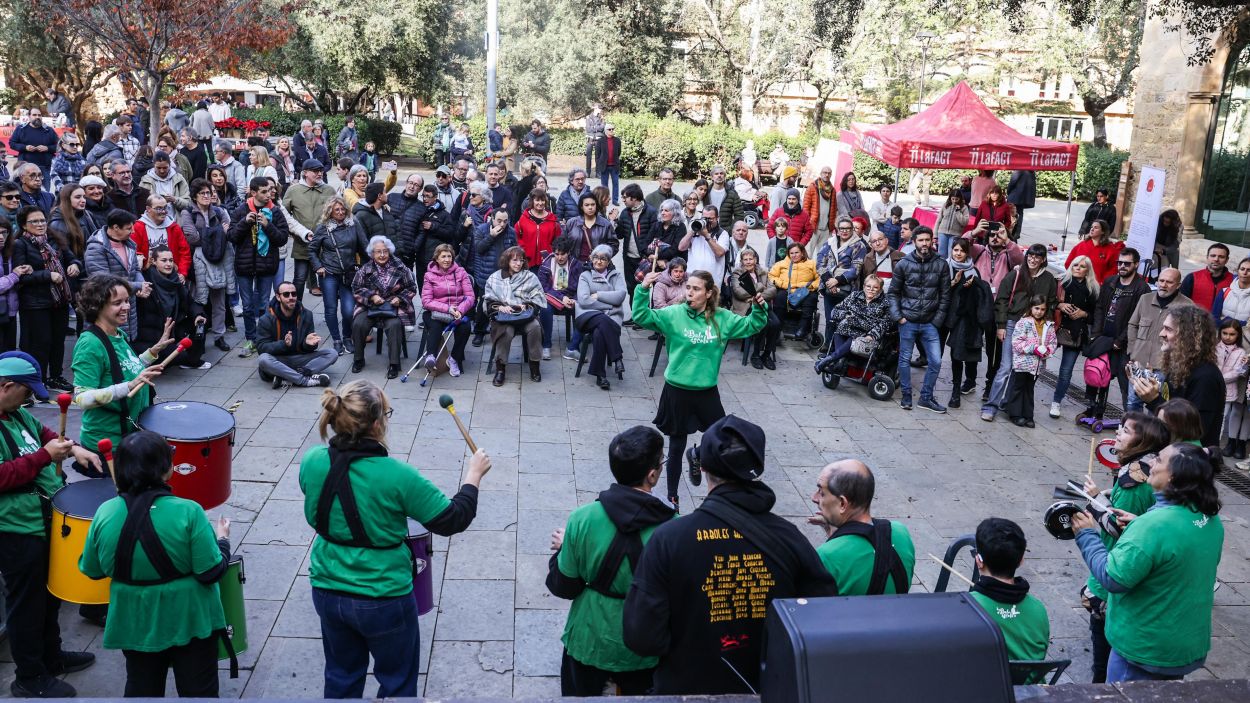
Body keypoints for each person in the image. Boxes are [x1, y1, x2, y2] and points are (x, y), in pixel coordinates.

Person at [300, 379, 492, 697]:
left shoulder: (312, 461)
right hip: (383, 595)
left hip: (327, 589)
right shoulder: (397, 476)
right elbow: (452, 519)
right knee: (398, 683)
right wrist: (473, 475)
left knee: (341, 677)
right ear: (377, 423)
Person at [622, 415, 837, 695]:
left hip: (686, 688)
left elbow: (641, 638)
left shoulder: (669, 539)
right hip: (767, 688)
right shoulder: (789, 539)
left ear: (703, 466)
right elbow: (822, 619)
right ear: (757, 468)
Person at [77, 431, 230, 697]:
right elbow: (210, 572)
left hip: (134, 618)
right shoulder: (189, 511)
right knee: (199, 691)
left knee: (141, 687)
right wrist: (223, 542)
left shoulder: (105, 512)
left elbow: (92, 569)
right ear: (167, 470)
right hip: (189, 618)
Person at [1072, 442, 1223, 682]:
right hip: (1182, 644)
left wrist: (1087, 535)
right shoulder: (1208, 517)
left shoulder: (1153, 527)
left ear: (1173, 476)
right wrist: (1138, 523)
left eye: (1159, 460)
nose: (1150, 464)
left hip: (1145, 648)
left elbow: (1113, 577)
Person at [0, 353, 102, 698]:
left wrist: (76, 450)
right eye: (25, 393)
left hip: (42, 519)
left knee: (50, 594)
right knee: (26, 604)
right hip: (15, 528)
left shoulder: (17, 413)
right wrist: (45, 457)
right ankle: (28, 676)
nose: (29, 400)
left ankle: (51, 656)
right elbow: (3, 475)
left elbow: (44, 435)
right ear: (6, 386)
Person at [547, 425, 676, 696]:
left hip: (589, 640)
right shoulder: (674, 529)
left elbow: (564, 586)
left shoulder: (582, 519)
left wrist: (567, 545)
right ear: (652, 475)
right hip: (645, 645)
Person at [631, 270, 766, 508]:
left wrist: (759, 307)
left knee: (722, 438)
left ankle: (699, 458)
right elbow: (641, 316)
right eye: (688, 288)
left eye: (695, 289)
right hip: (677, 390)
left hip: (706, 392)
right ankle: (673, 497)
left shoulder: (723, 318)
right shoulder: (673, 314)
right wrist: (643, 290)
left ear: (709, 293)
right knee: (676, 444)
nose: (689, 292)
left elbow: (752, 325)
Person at [1079, 412, 1170, 681]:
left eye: (1127, 431)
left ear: (1143, 441)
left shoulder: (1133, 482)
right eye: (1120, 428)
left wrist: (1094, 503)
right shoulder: (1138, 471)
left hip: (1113, 572)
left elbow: (1118, 527)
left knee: (1103, 658)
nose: (1118, 433)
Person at [71, 274, 173, 463]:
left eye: (127, 300)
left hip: (128, 439)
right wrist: (129, 386)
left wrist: (153, 351)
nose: (126, 307)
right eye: (117, 303)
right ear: (98, 306)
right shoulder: (90, 344)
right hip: (107, 445)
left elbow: (124, 368)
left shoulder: (119, 334)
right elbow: (82, 398)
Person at [810, 459, 914, 595]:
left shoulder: (826, 556)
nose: (814, 497)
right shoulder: (901, 532)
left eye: (822, 492)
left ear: (842, 503)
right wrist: (831, 529)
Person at [981, 243, 1058, 422]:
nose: (1033, 259)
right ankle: (991, 406)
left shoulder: (1048, 279)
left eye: (1037, 257)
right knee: (1006, 367)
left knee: (1021, 368)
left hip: (1034, 327)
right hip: (1012, 323)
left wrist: (1044, 322)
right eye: (1030, 255)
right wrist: (1001, 325)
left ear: (1043, 259)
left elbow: (1052, 302)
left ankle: (1007, 403)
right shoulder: (1015, 274)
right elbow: (1001, 299)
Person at [1132, 305, 1225, 447]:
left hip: (1191, 461)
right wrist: (1148, 390)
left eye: (1168, 329)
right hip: (1172, 453)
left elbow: (1194, 431)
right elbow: (1171, 408)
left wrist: (1153, 400)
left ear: (1188, 336)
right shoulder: (1180, 366)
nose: (1161, 334)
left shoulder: (1206, 378)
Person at [1078, 247, 1150, 420]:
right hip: (1103, 337)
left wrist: (1120, 340)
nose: (1122, 266)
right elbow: (1100, 308)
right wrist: (1095, 333)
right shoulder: (1110, 281)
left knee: (1125, 383)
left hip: (1124, 344)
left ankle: (1131, 420)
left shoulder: (1142, 288)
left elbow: (1137, 319)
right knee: (1096, 373)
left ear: (1136, 264)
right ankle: (1093, 408)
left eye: (1127, 263)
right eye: (1120, 263)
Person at [14, 207, 81, 389]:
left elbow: (72, 258)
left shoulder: (54, 240)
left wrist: (74, 265)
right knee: (40, 343)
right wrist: (47, 275)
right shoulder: (20, 244)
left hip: (59, 300)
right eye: (34, 221)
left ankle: (56, 377)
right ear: (24, 225)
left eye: (42, 220)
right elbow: (21, 276)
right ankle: (39, 380)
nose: (40, 224)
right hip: (35, 303)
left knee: (58, 341)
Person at [968, 518, 1050, 662]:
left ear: (979, 561)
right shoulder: (1038, 609)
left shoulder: (968, 608)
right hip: (1030, 684)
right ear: (1021, 560)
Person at [888, 227, 951, 413]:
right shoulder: (903, 264)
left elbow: (945, 296)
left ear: (932, 241)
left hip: (930, 322)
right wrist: (899, 317)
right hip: (908, 320)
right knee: (905, 359)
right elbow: (893, 293)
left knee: (936, 361)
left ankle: (926, 397)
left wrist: (937, 321)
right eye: (921, 240)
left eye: (928, 240)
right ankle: (906, 395)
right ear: (914, 241)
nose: (925, 243)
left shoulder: (941, 264)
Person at [230, 178, 290, 357]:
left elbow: (282, 238)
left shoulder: (275, 212)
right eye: (264, 191)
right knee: (247, 306)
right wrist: (244, 223)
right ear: (253, 193)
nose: (268, 195)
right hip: (245, 266)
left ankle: (263, 338)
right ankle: (251, 339)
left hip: (266, 265)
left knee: (264, 305)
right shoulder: (241, 210)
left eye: (270, 191)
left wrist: (267, 225)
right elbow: (232, 236)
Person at [1124, 267, 1191, 413]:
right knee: (1133, 402)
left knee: (1158, 405)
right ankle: (1134, 434)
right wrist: (1133, 350)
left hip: (1164, 365)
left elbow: (1187, 337)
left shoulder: (1187, 306)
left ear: (1178, 285)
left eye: (1169, 282)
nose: (1163, 285)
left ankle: (1152, 435)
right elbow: (1132, 324)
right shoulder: (1145, 299)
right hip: (1139, 362)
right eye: (1161, 280)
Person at [349, 236, 417, 379]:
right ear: (372, 254)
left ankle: (394, 364)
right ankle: (358, 359)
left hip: (392, 307)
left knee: (394, 325)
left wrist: (400, 298)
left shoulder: (400, 267)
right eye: (378, 252)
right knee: (358, 324)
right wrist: (372, 296)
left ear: (390, 252)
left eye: (385, 251)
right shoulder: (365, 269)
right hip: (370, 306)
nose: (381, 255)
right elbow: (356, 288)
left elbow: (412, 287)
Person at [308, 196, 365, 356]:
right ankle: (337, 340)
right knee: (331, 307)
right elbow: (312, 250)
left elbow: (364, 246)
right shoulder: (323, 228)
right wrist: (318, 266)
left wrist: (366, 268)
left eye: (342, 209)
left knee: (349, 310)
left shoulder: (354, 224)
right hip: (329, 273)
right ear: (330, 212)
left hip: (348, 273)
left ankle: (347, 337)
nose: (340, 212)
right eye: (336, 210)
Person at [938, 239, 991, 409]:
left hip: (963, 318)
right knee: (936, 352)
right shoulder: (944, 267)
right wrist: (953, 283)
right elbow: (938, 290)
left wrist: (972, 287)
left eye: (962, 250)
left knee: (958, 354)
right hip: (944, 315)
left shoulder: (973, 271)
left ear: (967, 253)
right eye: (955, 249)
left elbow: (979, 297)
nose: (958, 253)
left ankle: (958, 389)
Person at [137, 246, 209, 370]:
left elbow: (189, 302)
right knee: (175, 357)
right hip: (152, 335)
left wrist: (198, 315)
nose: (168, 264)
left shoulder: (175, 280)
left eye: (171, 260)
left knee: (201, 321)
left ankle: (192, 360)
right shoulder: (145, 282)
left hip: (172, 328)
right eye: (164, 260)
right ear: (153, 261)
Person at [255, 281, 336, 389]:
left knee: (332, 353)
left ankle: (287, 377)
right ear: (278, 297)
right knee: (263, 359)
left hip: (300, 359)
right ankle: (304, 380)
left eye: (294, 294)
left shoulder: (306, 315)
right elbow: (261, 348)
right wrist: (283, 344)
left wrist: (308, 344)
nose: (291, 297)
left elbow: (309, 348)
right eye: (286, 294)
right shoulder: (266, 319)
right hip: (279, 360)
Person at [485, 246, 547, 385]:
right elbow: (488, 300)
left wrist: (526, 305)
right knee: (505, 331)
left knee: (535, 327)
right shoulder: (495, 277)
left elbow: (538, 297)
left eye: (521, 260)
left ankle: (534, 365)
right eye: (514, 260)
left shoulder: (530, 277)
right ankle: (500, 369)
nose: (518, 264)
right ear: (507, 261)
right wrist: (500, 307)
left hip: (525, 316)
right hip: (505, 317)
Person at [1051, 255, 1101, 418]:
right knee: (1037, 364)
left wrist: (1083, 313)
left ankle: (1056, 402)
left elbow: (1096, 315)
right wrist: (1060, 305)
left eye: (1082, 266)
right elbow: (1046, 301)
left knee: (1066, 370)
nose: (1077, 268)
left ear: (1088, 271)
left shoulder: (1092, 289)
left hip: (1075, 333)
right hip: (1055, 328)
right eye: (1075, 265)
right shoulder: (1061, 283)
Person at [575, 245, 628, 390]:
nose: (598, 261)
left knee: (600, 332)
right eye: (596, 258)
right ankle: (617, 358)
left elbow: (620, 296)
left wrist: (598, 295)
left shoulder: (616, 275)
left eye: (603, 259)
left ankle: (601, 376)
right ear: (591, 259)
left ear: (608, 261)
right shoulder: (585, 276)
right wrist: (610, 306)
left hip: (611, 319)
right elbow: (584, 301)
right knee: (603, 321)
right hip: (588, 316)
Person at [421, 243, 475, 376]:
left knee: (465, 327)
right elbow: (426, 301)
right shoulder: (429, 276)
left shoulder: (460, 272)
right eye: (443, 256)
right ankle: (431, 357)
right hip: (435, 312)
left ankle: (454, 359)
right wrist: (448, 308)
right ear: (436, 259)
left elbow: (470, 296)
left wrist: (460, 310)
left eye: (449, 256)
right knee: (434, 325)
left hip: (457, 312)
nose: (446, 259)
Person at [1003, 296, 1057, 427]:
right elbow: (1016, 343)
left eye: (1042, 309)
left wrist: (1048, 350)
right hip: (1022, 363)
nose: (1039, 312)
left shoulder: (1048, 325)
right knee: (1018, 388)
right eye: (1036, 308)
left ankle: (1028, 415)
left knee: (1029, 389)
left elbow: (1053, 342)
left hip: (1037, 365)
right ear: (1031, 308)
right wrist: (1034, 348)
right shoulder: (1023, 322)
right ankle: (1015, 414)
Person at [731, 248, 779, 368]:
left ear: (755, 260)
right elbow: (740, 293)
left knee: (776, 324)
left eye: (750, 259)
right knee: (764, 323)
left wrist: (757, 296)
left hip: (762, 304)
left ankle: (766, 355)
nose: (748, 262)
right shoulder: (737, 273)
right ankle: (755, 355)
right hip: (745, 307)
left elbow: (773, 290)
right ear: (742, 261)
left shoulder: (762, 271)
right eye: (745, 259)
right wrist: (760, 286)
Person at [769, 241, 820, 342]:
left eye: (797, 252)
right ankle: (777, 330)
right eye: (791, 253)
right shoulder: (781, 264)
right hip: (787, 289)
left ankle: (802, 329)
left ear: (802, 252)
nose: (794, 255)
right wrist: (784, 285)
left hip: (805, 290)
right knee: (779, 298)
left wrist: (811, 287)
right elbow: (771, 276)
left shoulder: (812, 263)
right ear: (788, 254)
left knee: (811, 299)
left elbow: (819, 278)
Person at [132, 195, 191, 279]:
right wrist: (145, 264)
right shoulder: (138, 227)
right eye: (159, 208)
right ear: (148, 209)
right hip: (147, 275)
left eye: (165, 208)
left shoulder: (174, 227)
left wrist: (182, 272)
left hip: (172, 275)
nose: (163, 211)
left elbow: (184, 252)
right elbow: (134, 252)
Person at [615, 184, 656, 300]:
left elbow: (655, 236)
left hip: (644, 259)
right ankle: (634, 316)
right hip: (628, 258)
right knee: (631, 287)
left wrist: (649, 254)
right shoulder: (624, 213)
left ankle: (643, 316)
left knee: (644, 289)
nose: (623, 200)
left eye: (625, 197)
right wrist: (615, 221)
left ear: (634, 198)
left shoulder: (651, 212)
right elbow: (619, 235)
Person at [1219, 319, 1250, 459]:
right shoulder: (1242, 330)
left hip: (1242, 375)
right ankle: (1231, 442)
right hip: (1240, 379)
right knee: (1237, 409)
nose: (1228, 336)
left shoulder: (1239, 344)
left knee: (1247, 413)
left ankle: (1242, 443)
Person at [679, 205, 730, 287]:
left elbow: (719, 253)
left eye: (710, 218)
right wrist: (692, 230)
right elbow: (681, 248)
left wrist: (707, 235)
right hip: (692, 278)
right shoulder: (695, 231)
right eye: (704, 218)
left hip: (712, 280)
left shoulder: (722, 234)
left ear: (717, 218)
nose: (707, 221)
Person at [562, 191, 617, 265]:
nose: (590, 207)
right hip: (575, 264)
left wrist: (603, 257)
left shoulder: (605, 224)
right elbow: (563, 243)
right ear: (581, 207)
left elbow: (614, 245)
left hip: (598, 265)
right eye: (587, 205)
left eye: (593, 204)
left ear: (596, 205)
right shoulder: (572, 223)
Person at [1179, 243, 1232, 313]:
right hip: (1196, 321)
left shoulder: (1234, 281)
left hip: (1222, 322)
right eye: (1213, 256)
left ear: (1227, 260)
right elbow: (1180, 304)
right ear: (1207, 257)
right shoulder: (1192, 277)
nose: (1216, 259)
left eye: (1221, 257)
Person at [10, 107, 59, 178]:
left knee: (45, 189)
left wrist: (47, 148)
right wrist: (25, 147)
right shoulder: (21, 129)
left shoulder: (49, 130)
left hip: (44, 167)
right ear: (29, 116)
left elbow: (59, 146)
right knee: (24, 188)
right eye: (34, 115)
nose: (37, 117)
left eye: (39, 115)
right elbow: (12, 143)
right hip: (25, 167)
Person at [803, 166, 836, 256]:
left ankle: (819, 270)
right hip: (813, 227)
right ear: (821, 174)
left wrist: (832, 226)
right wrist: (807, 224)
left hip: (826, 228)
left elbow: (834, 209)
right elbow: (805, 207)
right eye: (825, 172)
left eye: (829, 173)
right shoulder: (812, 187)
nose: (827, 175)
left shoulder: (832, 190)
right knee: (807, 253)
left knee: (823, 255)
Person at [935, 188, 970, 258]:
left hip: (955, 234)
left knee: (951, 254)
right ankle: (941, 268)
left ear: (960, 198)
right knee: (941, 253)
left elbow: (964, 222)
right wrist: (935, 234)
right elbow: (939, 220)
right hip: (942, 232)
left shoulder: (964, 207)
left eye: (956, 199)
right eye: (952, 199)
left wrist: (958, 212)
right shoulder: (946, 205)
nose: (954, 201)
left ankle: (950, 268)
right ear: (950, 198)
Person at [595, 123, 622, 204]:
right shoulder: (600, 141)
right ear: (605, 131)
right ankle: (605, 200)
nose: (611, 131)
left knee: (616, 184)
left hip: (614, 166)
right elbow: (597, 154)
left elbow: (618, 152)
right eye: (609, 129)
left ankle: (615, 200)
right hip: (604, 166)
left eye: (613, 129)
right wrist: (599, 164)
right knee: (604, 185)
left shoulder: (617, 140)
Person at [1006, 169, 1036, 239]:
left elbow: (1013, 181)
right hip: (1023, 198)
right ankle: (1016, 233)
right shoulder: (1031, 171)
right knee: (1020, 214)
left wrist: (1008, 191)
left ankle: (1009, 233)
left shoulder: (1019, 169)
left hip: (1014, 196)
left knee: (1010, 215)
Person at [584, 104, 605, 174]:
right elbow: (588, 129)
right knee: (588, 156)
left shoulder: (602, 117)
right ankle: (588, 173)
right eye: (599, 109)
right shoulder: (588, 117)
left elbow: (602, 128)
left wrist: (593, 127)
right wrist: (597, 128)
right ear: (595, 109)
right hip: (590, 138)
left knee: (598, 156)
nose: (601, 110)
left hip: (598, 138)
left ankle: (598, 173)